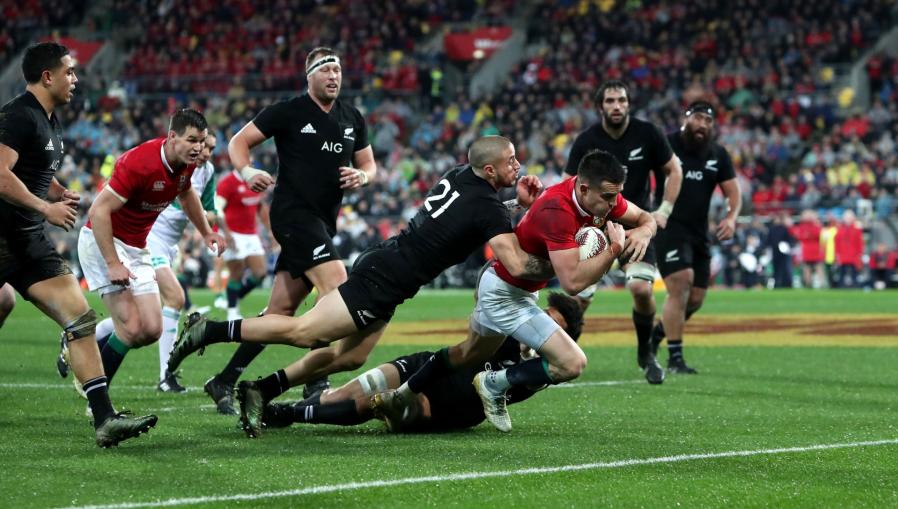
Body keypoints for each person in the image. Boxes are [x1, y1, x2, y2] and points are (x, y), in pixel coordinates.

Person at [169, 135, 548, 436]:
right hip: (385, 278)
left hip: (390, 267)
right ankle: (210, 330)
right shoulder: (487, 205)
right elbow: (513, 260)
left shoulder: (460, 176)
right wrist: (561, 256)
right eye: (511, 160)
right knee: (305, 332)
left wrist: (516, 203)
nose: (517, 165)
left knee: (350, 357)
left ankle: (262, 389)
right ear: (488, 168)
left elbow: (473, 215)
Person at [377, 149, 658, 433]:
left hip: (508, 286)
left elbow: (645, 217)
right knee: (572, 363)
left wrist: (644, 231)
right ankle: (493, 384)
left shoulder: (602, 195)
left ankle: (400, 395)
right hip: (505, 293)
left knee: (466, 354)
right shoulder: (557, 211)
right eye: (608, 198)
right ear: (583, 188)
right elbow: (572, 282)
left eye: (616, 196)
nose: (613, 205)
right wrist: (614, 249)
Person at [201, 46, 376, 415]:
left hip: (323, 220)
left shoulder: (352, 117)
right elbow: (238, 142)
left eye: (338, 70)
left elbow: (370, 165)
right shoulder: (290, 110)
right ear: (309, 76)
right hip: (293, 215)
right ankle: (317, 383)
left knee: (280, 310)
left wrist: (363, 176)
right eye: (326, 70)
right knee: (337, 289)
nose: (334, 76)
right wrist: (247, 172)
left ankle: (224, 379)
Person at [0, 42, 156, 447]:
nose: (75, 78)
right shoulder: (17, 116)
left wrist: (55, 191)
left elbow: (32, 169)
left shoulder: (49, 121)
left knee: (82, 320)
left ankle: (104, 420)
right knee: (4, 303)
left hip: (26, 242)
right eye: (69, 72)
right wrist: (43, 207)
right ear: (47, 76)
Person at [260, 293, 584, 433]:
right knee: (340, 396)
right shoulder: (509, 327)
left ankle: (288, 414)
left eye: (552, 329)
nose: (541, 330)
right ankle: (313, 404)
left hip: (451, 404)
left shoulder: (539, 372)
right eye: (543, 320)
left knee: (373, 405)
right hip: (426, 366)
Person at [76, 108, 224, 388]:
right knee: (131, 328)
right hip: (103, 240)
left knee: (152, 330)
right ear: (172, 137)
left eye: (202, 141)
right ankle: (97, 396)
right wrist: (112, 263)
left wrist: (206, 232)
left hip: (137, 245)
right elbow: (97, 212)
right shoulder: (139, 162)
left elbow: (186, 192)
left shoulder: (187, 164)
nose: (199, 148)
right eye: (192, 140)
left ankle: (88, 354)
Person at [563, 80, 682, 385]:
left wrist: (663, 212)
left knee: (641, 290)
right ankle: (560, 355)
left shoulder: (648, 133)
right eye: (610, 101)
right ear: (600, 106)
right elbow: (566, 185)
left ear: (629, 104)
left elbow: (674, 169)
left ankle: (646, 353)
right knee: (580, 299)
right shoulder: (587, 139)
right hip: (594, 228)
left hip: (635, 225)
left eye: (622, 100)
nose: (617, 106)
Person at [649, 101, 741, 373]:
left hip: (700, 233)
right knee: (681, 282)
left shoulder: (717, 154)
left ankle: (656, 335)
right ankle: (675, 359)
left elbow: (733, 192)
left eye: (708, 121)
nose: (703, 124)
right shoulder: (666, 145)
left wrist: (731, 217)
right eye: (698, 118)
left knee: (696, 299)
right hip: (669, 226)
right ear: (686, 118)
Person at [215, 166, 268, 321]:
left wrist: (270, 230)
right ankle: (232, 312)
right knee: (236, 273)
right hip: (232, 233)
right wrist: (226, 233)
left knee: (261, 273)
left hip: (251, 235)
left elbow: (259, 206)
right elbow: (218, 208)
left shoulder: (256, 180)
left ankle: (233, 296)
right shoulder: (227, 183)